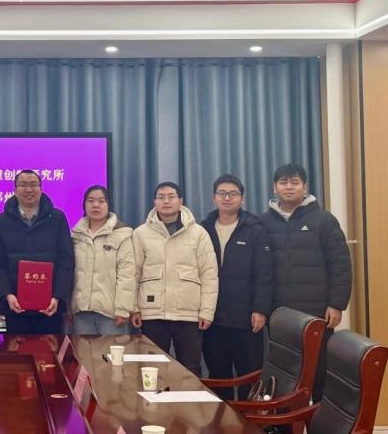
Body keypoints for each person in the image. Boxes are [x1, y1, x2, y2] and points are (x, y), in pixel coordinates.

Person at [260, 163, 352, 403]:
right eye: (283, 182)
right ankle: (284, 421)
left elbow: (340, 265)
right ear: (275, 187)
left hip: (317, 312)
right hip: (278, 314)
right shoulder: (263, 222)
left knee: (319, 372)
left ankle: (318, 419)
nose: (289, 187)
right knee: (282, 374)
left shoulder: (324, 220)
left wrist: (336, 304)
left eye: (295, 182)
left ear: (305, 186)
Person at [131, 182, 218, 376]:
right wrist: (134, 308)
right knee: (151, 368)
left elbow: (209, 274)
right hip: (152, 313)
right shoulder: (140, 233)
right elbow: (133, 273)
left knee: (190, 369)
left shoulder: (198, 233)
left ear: (180, 201)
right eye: (161, 197)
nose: (166, 201)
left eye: (171, 197)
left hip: (188, 314)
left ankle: (190, 398)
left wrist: (207, 311)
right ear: (154, 202)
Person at [199, 175, 272, 399]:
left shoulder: (255, 229)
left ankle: (248, 418)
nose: (227, 198)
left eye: (233, 194)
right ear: (214, 198)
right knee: (218, 375)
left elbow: (264, 273)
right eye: (222, 193)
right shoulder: (203, 229)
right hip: (213, 318)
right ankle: (223, 419)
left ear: (242, 199)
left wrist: (260, 309)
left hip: (246, 319)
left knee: (249, 376)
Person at [0, 169, 74, 334]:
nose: (28, 189)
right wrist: (8, 295)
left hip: (50, 305)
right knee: (17, 349)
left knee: (50, 349)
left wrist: (57, 297)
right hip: (15, 305)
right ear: (15, 190)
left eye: (33, 185)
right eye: (23, 185)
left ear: (41, 189)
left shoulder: (57, 218)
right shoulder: (2, 221)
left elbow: (66, 261)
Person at [70, 185, 135, 335]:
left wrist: (123, 309)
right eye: (90, 201)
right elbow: (70, 274)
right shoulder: (75, 236)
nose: (95, 205)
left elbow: (127, 275)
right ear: (84, 205)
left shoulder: (122, 235)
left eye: (101, 201)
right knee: (83, 351)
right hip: (81, 312)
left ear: (108, 205)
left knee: (111, 351)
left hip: (111, 314)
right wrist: (69, 307)